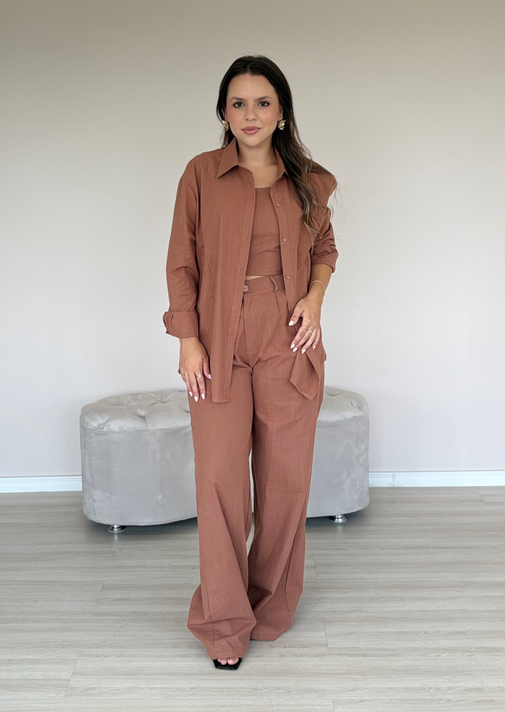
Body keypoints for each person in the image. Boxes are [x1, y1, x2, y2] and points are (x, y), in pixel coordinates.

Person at [163, 54, 339, 670]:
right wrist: (187, 338)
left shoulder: (310, 181)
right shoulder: (201, 174)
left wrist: (314, 300)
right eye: (237, 103)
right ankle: (223, 624)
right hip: (217, 334)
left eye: (262, 102)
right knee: (220, 483)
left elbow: (325, 247)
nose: (250, 114)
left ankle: (269, 605)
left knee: (285, 482)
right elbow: (181, 259)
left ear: (282, 112)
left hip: (288, 333)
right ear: (223, 113)